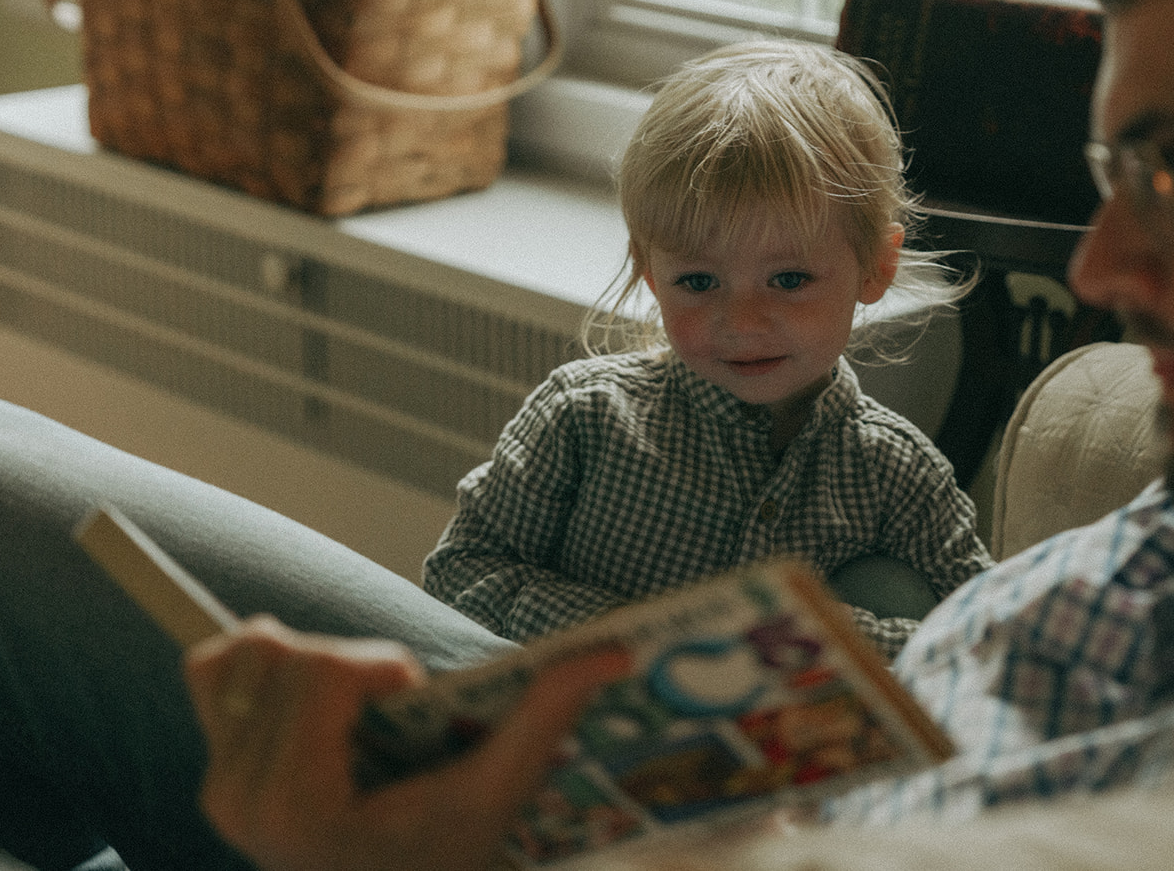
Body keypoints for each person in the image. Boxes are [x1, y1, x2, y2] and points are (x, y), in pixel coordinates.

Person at [0, 0, 1174, 868]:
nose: (1101, 265)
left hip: (623, 817)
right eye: (1115, 174)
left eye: (1173, 166)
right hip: (657, 744)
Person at [423, 39, 990, 659]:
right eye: (698, 282)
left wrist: (809, 643)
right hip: (570, 739)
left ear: (875, 268)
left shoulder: (897, 473)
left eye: (789, 280)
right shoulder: (581, 417)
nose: (742, 323)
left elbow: (990, 635)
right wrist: (639, 639)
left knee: (892, 590)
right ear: (649, 271)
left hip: (785, 751)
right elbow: (459, 572)